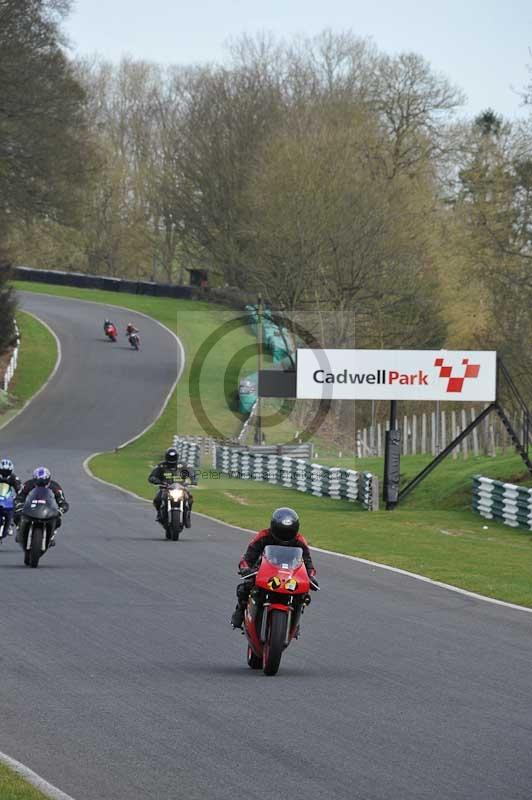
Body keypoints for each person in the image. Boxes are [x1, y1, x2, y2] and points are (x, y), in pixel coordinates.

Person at [231, 507, 318, 629]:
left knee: (303, 595)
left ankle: (295, 620)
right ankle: (240, 612)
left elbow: (308, 562)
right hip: (265, 570)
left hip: (290, 574)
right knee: (246, 587)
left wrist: (311, 576)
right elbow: (249, 556)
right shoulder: (264, 536)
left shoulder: (299, 540)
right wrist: (245, 568)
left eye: (288, 532)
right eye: (281, 531)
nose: (284, 536)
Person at [14, 467, 69, 546]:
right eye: (38, 483)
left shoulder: (55, 487)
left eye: (44, 482)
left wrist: (61, 509)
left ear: (48, 480)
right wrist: (19, 505)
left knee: (58, 519)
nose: (41, 485)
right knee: (16, 514)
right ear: (34, 480)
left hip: (47, 510)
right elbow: (19, 497)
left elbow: (62, 501)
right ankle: (19, 529)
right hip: (30, 508)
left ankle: (52, 534)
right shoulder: (28, 485)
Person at [148, 447, 195, 526]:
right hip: (165, 488)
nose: (172, 459)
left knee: (190, 499)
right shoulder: (161, 466)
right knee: (157, 499)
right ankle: (159, 514)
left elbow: (192, 473)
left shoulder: (183, 465)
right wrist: (157, 481)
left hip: (181, 488)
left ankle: (187, 517)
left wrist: (193, 480)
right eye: (170, 457)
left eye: (173, 457)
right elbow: (152, 476)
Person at [0, 458, 22, 535]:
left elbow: (19, 488)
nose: (4, 473)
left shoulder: (14, 477)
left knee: (17, 506)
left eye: (7, 471)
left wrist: (19, 495)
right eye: (3, 471)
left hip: (7, 496)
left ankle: (11, 523)